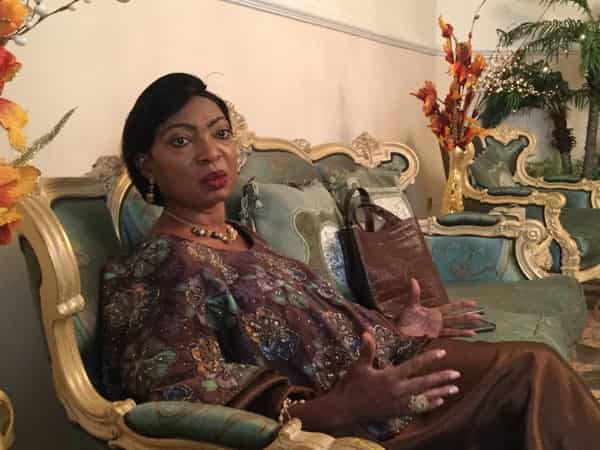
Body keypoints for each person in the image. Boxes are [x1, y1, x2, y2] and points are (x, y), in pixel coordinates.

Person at [101, 72, 600, 449]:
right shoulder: (159, 264)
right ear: (146, 164)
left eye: (220, 133)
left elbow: (317, 322)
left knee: (536, 374)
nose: (211, 153)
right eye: (181, 140)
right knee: (532, 374)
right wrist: (340, 407)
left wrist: (400, 328)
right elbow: (175, 397)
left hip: (387, 381)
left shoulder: (240, 235)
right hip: (350, 426)